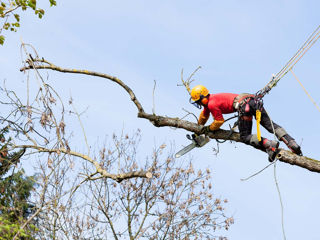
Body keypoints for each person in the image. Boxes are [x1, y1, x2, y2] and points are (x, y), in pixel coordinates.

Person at [189, 85, 302, 161]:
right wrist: (198, 128)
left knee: (245, 136)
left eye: (198, 101)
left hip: (245, 107)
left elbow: (219, 121)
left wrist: (208, 129)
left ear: (203, 97)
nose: (199, 103)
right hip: (253, 101)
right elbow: (204, 116)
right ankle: (291, 142)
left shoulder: (211, 104)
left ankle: (269, 145)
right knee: (270, 125)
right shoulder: (212, 100)